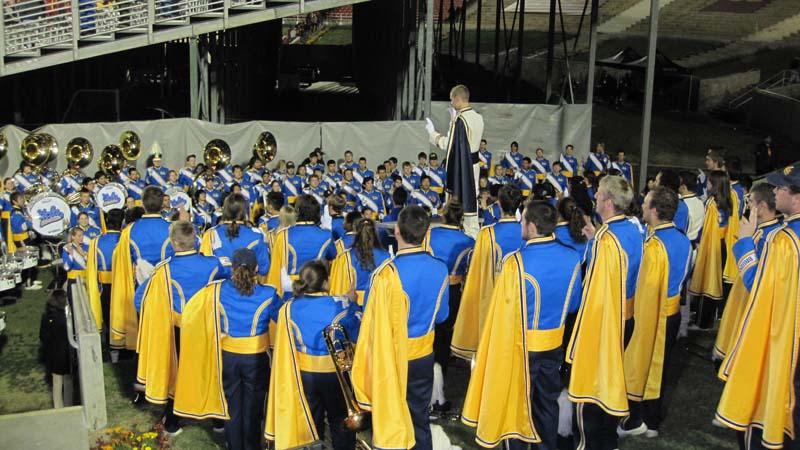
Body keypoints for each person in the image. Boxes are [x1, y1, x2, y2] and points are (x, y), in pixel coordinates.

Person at [462, 199, 582, 450]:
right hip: (554, 343)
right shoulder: (572, 257)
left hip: (521, 345)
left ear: (533, 225)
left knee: (514, 405)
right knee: (546, 403)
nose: (520, 224)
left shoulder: (515, 261)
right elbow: (573, 305)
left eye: (523, 220)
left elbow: (503, 313)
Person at [716, 163, 800, 449]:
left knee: (765, 422)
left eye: (781, 188)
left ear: (797, 197)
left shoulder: (784, 240)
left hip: (783, 342)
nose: (775, 192)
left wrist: (744, 245)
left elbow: (759, 288)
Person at [350, 205, 449, 450]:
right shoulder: (440, 267)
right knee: (419, 420)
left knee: (390, 422)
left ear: (396, 231)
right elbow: (443, 316)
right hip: (424, 354)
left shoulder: (385, 274)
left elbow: (372, 325)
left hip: (391, 359)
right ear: (426, 233)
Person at [173, 248, 278, 450]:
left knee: (231, 407)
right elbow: (284, 318)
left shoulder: (215, 290)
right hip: (256, 358)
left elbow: (191, 314)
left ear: (232, 268)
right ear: (257, 268)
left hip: (227, 356)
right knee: (253, 409)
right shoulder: (269, 293)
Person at [566, 175, 640, 450]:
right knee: (609, 381)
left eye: (598, 193)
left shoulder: (606, 241)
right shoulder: (633, 230)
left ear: (608, 202)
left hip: (604, 322)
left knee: (590, 390)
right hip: (626, 318)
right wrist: (595, 237)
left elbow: (593, 292)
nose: (594, 196)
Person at [135, 220, 225, 435]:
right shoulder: (213, 264)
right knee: (210, 371)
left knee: (179, 373)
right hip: (208, 326)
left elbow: (141, 300)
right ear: (194, 240)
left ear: (174, 243)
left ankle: (173, 422)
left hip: (180, 328)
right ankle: (218, 421)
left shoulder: (164, 270)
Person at [619, 187, 692, 439]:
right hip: (673, 312)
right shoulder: (683, 239)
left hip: (653, 311)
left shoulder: (653, 244)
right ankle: (652, 418)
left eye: (646, 202)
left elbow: (645, 286)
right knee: (662, 367)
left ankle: (637, 418)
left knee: (642, 363)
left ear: (654, 209)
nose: (642, 206)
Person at [265, 261, 361, 449]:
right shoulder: (341, 305)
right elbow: (358, 331)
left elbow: (279, 319)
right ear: (325, 283)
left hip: (304, 375)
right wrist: (353, 302)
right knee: (341, 422)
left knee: (311, 424)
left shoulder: (288, 308)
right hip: (336, 373)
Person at [451, 185, 525, 360]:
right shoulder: (527, 232)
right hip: (522, 298)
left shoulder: (487, 234)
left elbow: (476, 274)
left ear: (499, 204)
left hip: (493, 301)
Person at [713, 183, 781, 361]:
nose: (747, 205)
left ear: (761, 206)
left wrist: (745, 242)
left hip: (753, 305)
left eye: (750, 201)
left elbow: (757, 282)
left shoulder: (772, 238)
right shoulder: (762, 231)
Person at [110, 186, 175, 350]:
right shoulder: (173, 228)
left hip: (141, 287)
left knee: (146, 329)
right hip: (170, 287)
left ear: (143, 204)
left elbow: (121, 263)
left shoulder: (129, 231)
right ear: (162, 205)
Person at [426, 84, 485, 238]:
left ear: (458, 99)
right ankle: (473, 240)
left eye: (452, 100)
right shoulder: (478, 117)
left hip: (461, 168)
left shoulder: (460, 120)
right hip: (474, 166)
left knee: (460, 208)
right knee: (472, 204)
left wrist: (433, 134)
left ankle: (464, 242)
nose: (451, 103)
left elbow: (449, 145)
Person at [688, 170, 734, 330]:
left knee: (707, 282)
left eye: (708, 182)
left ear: (714, 185)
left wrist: (699, 243)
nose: (706, 185)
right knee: (714, 283)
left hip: (711, 244)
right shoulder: (727, 201)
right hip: (721, 245)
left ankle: (702, 323)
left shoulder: (712, 203)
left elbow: (705, 228)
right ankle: (706, 319)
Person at [267, 195, 336, 298]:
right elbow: (333, 257)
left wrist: (274, 295)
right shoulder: (326, 234)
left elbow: (275, 268)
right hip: (318, 286)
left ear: (297, 211)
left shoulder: (284, 235)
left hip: (291, 289)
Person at [200, 193, 270, 280]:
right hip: (249, 288)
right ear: (244, 211)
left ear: (225, 210)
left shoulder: (210, 234)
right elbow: (264, 269)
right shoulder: (258, 234)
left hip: (220, 290)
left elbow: (204, 269)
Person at [84, 208, 124, 360]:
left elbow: (91, 266)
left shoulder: (96, 242)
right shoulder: (126, 239)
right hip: (124, 283)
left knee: (108, 317)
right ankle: (127, 349)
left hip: (105, 286)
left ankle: (112, 351)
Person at [329, 216, 391, 307]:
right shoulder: (387, 257)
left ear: (356, 234)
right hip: (379, 306)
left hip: (354, 306)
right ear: (375, 233)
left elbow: (337, 293)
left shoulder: (345, 257)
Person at [39, 290, 73, 409]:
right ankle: (69, 405)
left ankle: (58, 407)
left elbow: (42, 336)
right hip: (66, 354)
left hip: (53, 355)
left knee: (57, 382)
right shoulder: (68, 318)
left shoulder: (47, 317)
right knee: (68, 380)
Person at [9, 191, 40, 290]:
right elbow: (20, 228)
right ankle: (28, 283)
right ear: (14, 201)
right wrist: (30, 222)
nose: (23, 200)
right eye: (20, 199)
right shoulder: (16, 213)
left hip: (24, 238)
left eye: (22, 198)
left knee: (28, 259)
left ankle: (28, 280)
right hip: (21, 239)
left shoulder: (20, 210)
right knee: (27, 260)